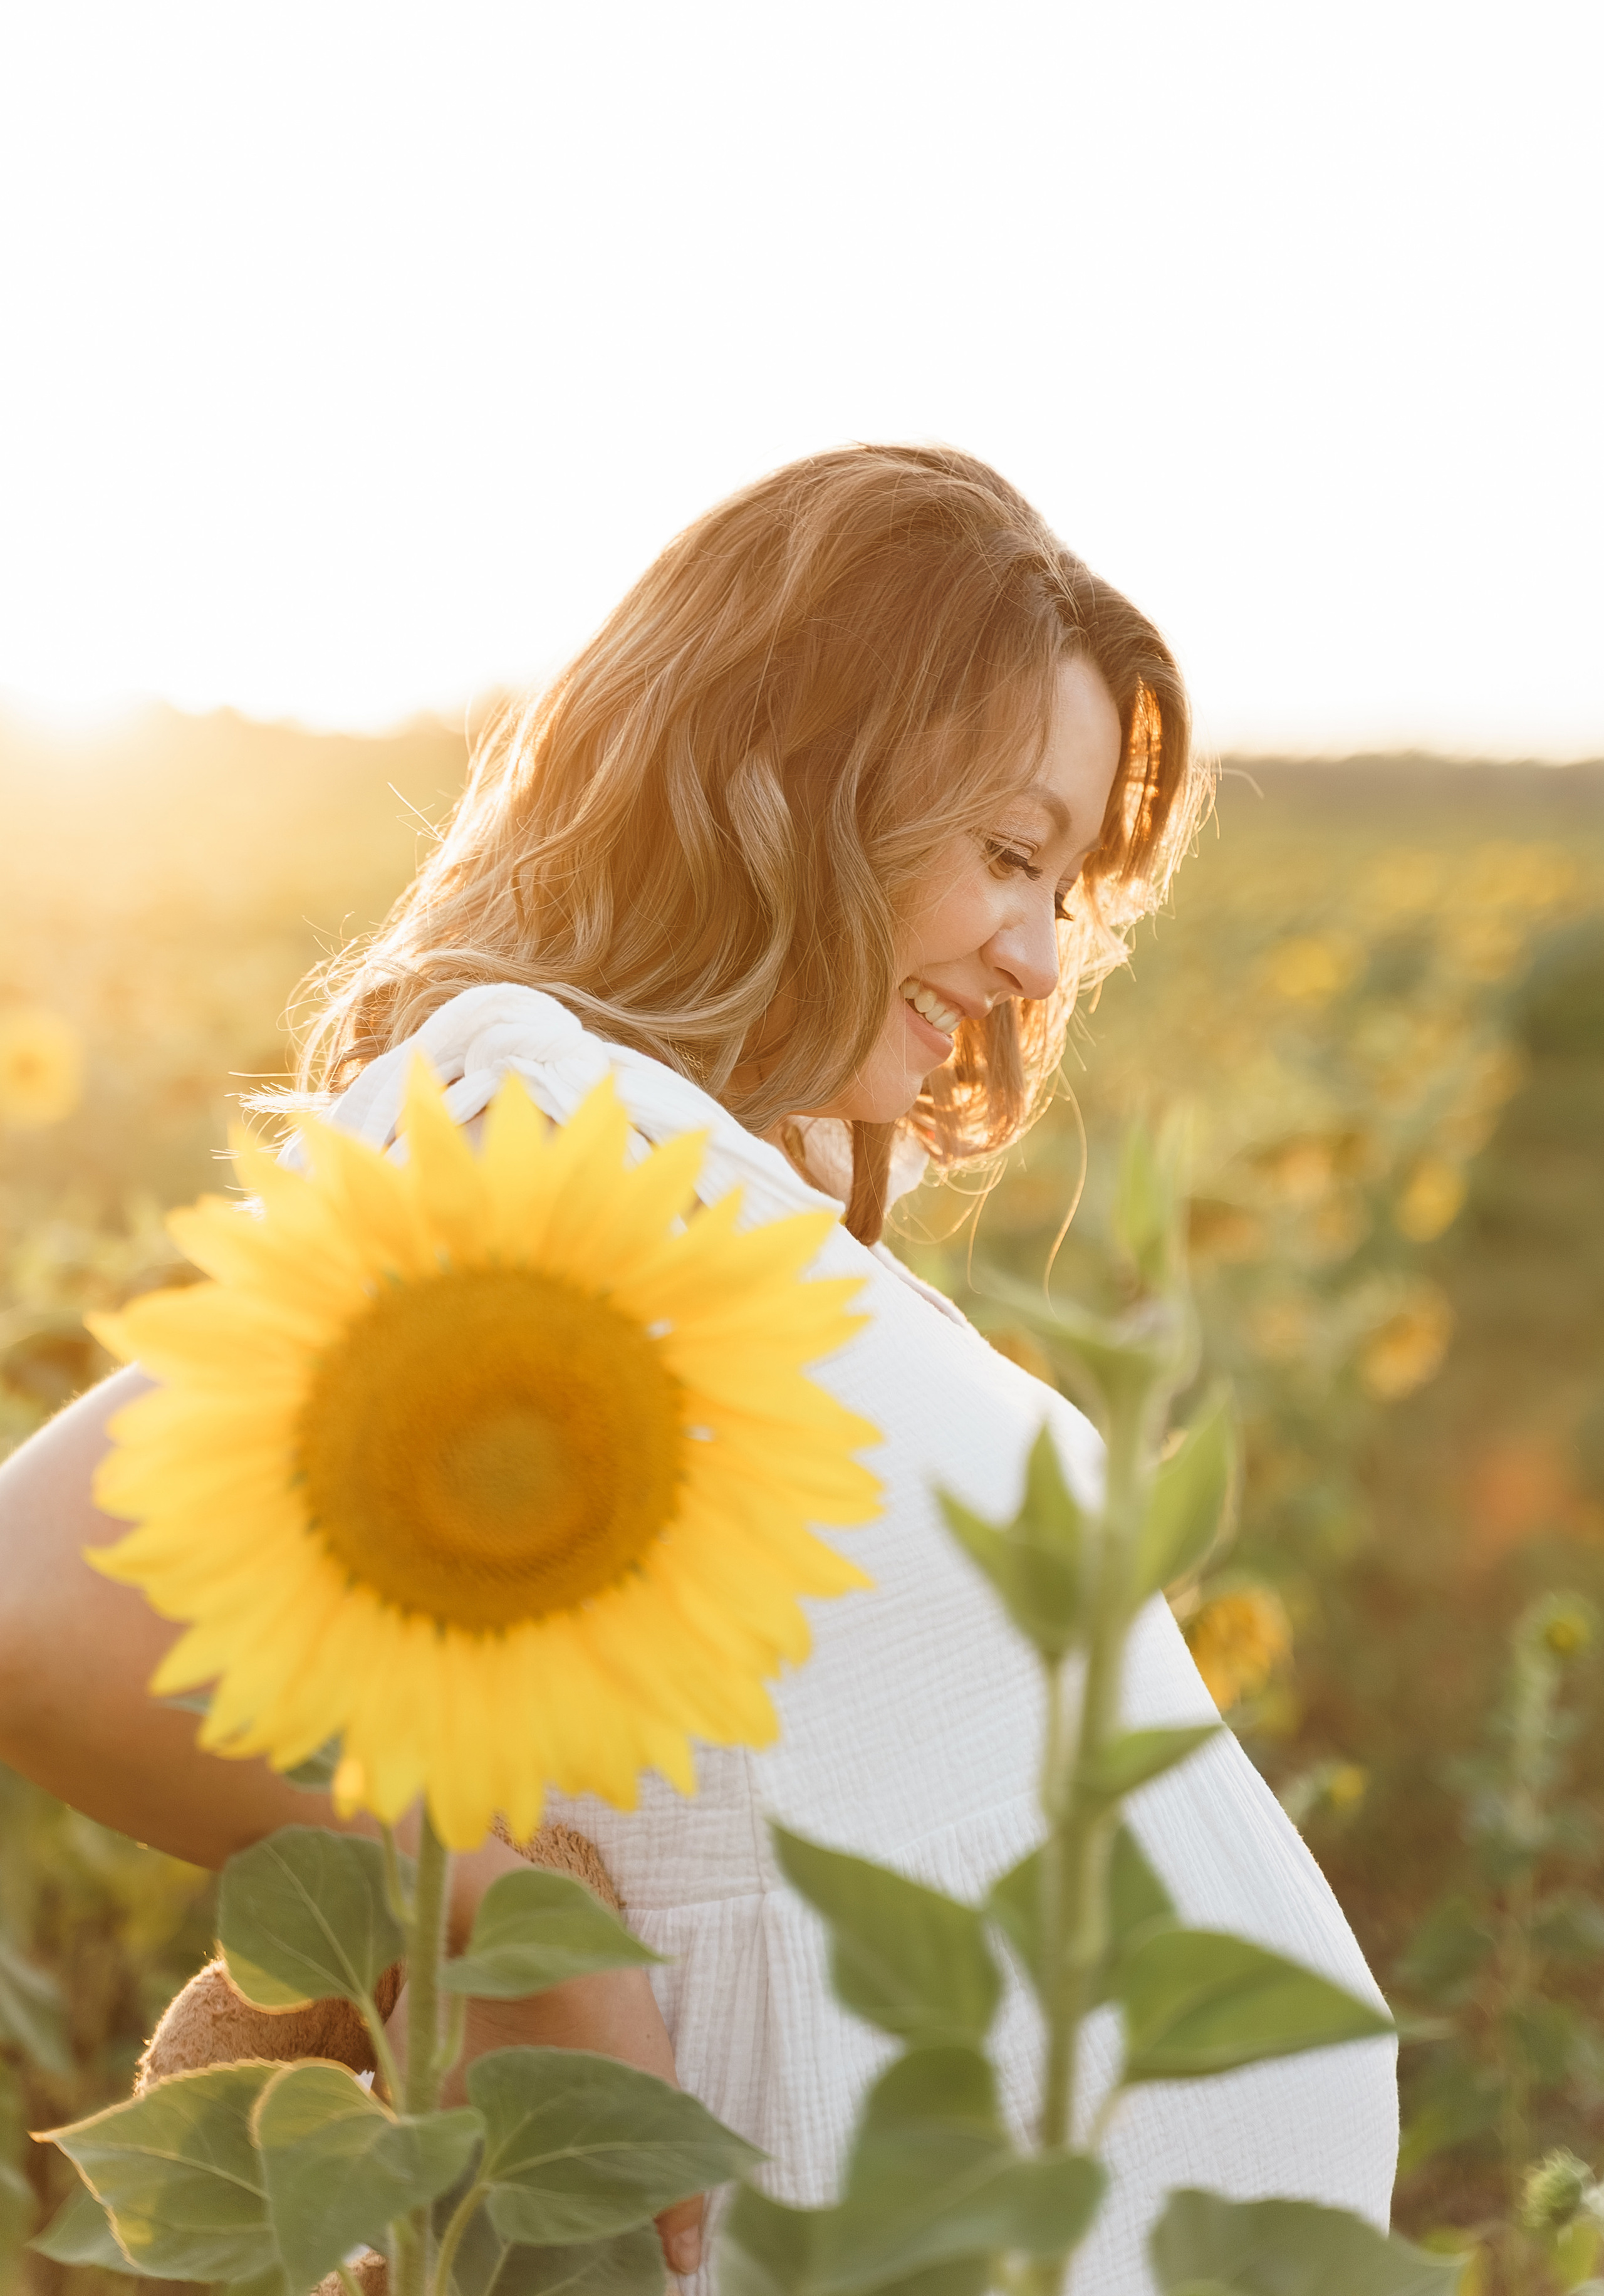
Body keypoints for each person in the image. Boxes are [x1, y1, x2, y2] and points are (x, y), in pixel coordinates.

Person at [0, 446, 1397, 2290]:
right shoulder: (554, 1126)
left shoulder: (728, 1180)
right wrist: (502, 1916)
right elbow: (42, 1594)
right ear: (790, 783)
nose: (1040, 951)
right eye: (1007, 853)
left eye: (1062, 884)